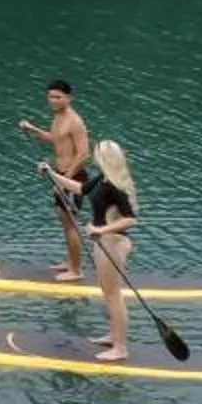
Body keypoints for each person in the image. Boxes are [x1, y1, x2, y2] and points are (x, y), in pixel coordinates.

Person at [43, 140, 141, 362]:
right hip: (104, 241)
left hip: (113, 242)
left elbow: (130, 220)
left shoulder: (115, 187)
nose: (94, 157)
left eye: (97, 153)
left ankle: (121, 348)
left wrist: (101, 229)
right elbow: (78, 187)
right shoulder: (101, 180)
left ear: (104, 158)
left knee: (114, 295)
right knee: (108, 293)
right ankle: (113, 336)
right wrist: (51, 173)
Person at [17, 81, 91, 280]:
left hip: (72, 177)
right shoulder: (58, 116)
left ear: (69, 98)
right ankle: (69, 262)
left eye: (58, 97)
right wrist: (32, 129)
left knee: (71, 224)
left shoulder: (75, 121)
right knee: (64, 221)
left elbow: (84, 154)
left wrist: (64, 180)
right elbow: (55, 138)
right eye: (51, 97)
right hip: (60, 174)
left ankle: (76, 270)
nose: (53, 101)